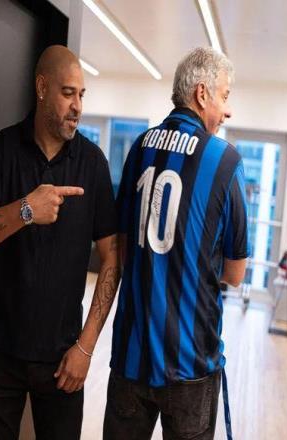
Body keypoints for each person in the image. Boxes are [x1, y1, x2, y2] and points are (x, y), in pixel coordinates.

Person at [0, 45, 120, 440]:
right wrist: (26, 210)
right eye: (68, 93)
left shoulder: (93, 164)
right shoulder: (4, 148)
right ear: (42, 88)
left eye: (82, 95)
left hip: (63, 359)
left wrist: (85, 348)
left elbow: (112, 258)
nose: (77, 106)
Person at [104, 47, 250, 440]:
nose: (228, 110)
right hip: (191, 364)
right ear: (202, 94)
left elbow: (122, 246)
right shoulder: (226, 161)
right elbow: (235, 274)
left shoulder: (138, 148)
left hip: (130, 357)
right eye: (224, 96)